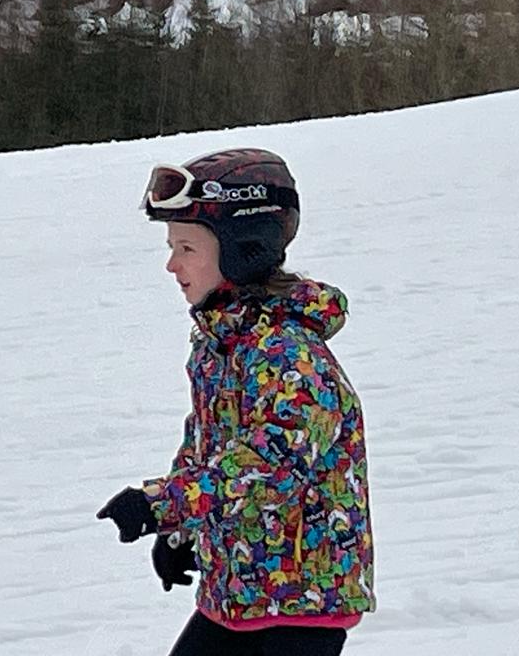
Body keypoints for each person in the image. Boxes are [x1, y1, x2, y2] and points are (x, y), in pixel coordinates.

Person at [97, 148, 375, 656]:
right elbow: (207, 444)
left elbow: (270, 465)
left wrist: (162, 503)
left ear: (242, 250)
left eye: (187, 248)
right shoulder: (223, 342)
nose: (171, 264)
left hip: (300, 599)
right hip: (240, 591)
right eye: (171, 246)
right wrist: (181, 531)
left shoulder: (289, 354)